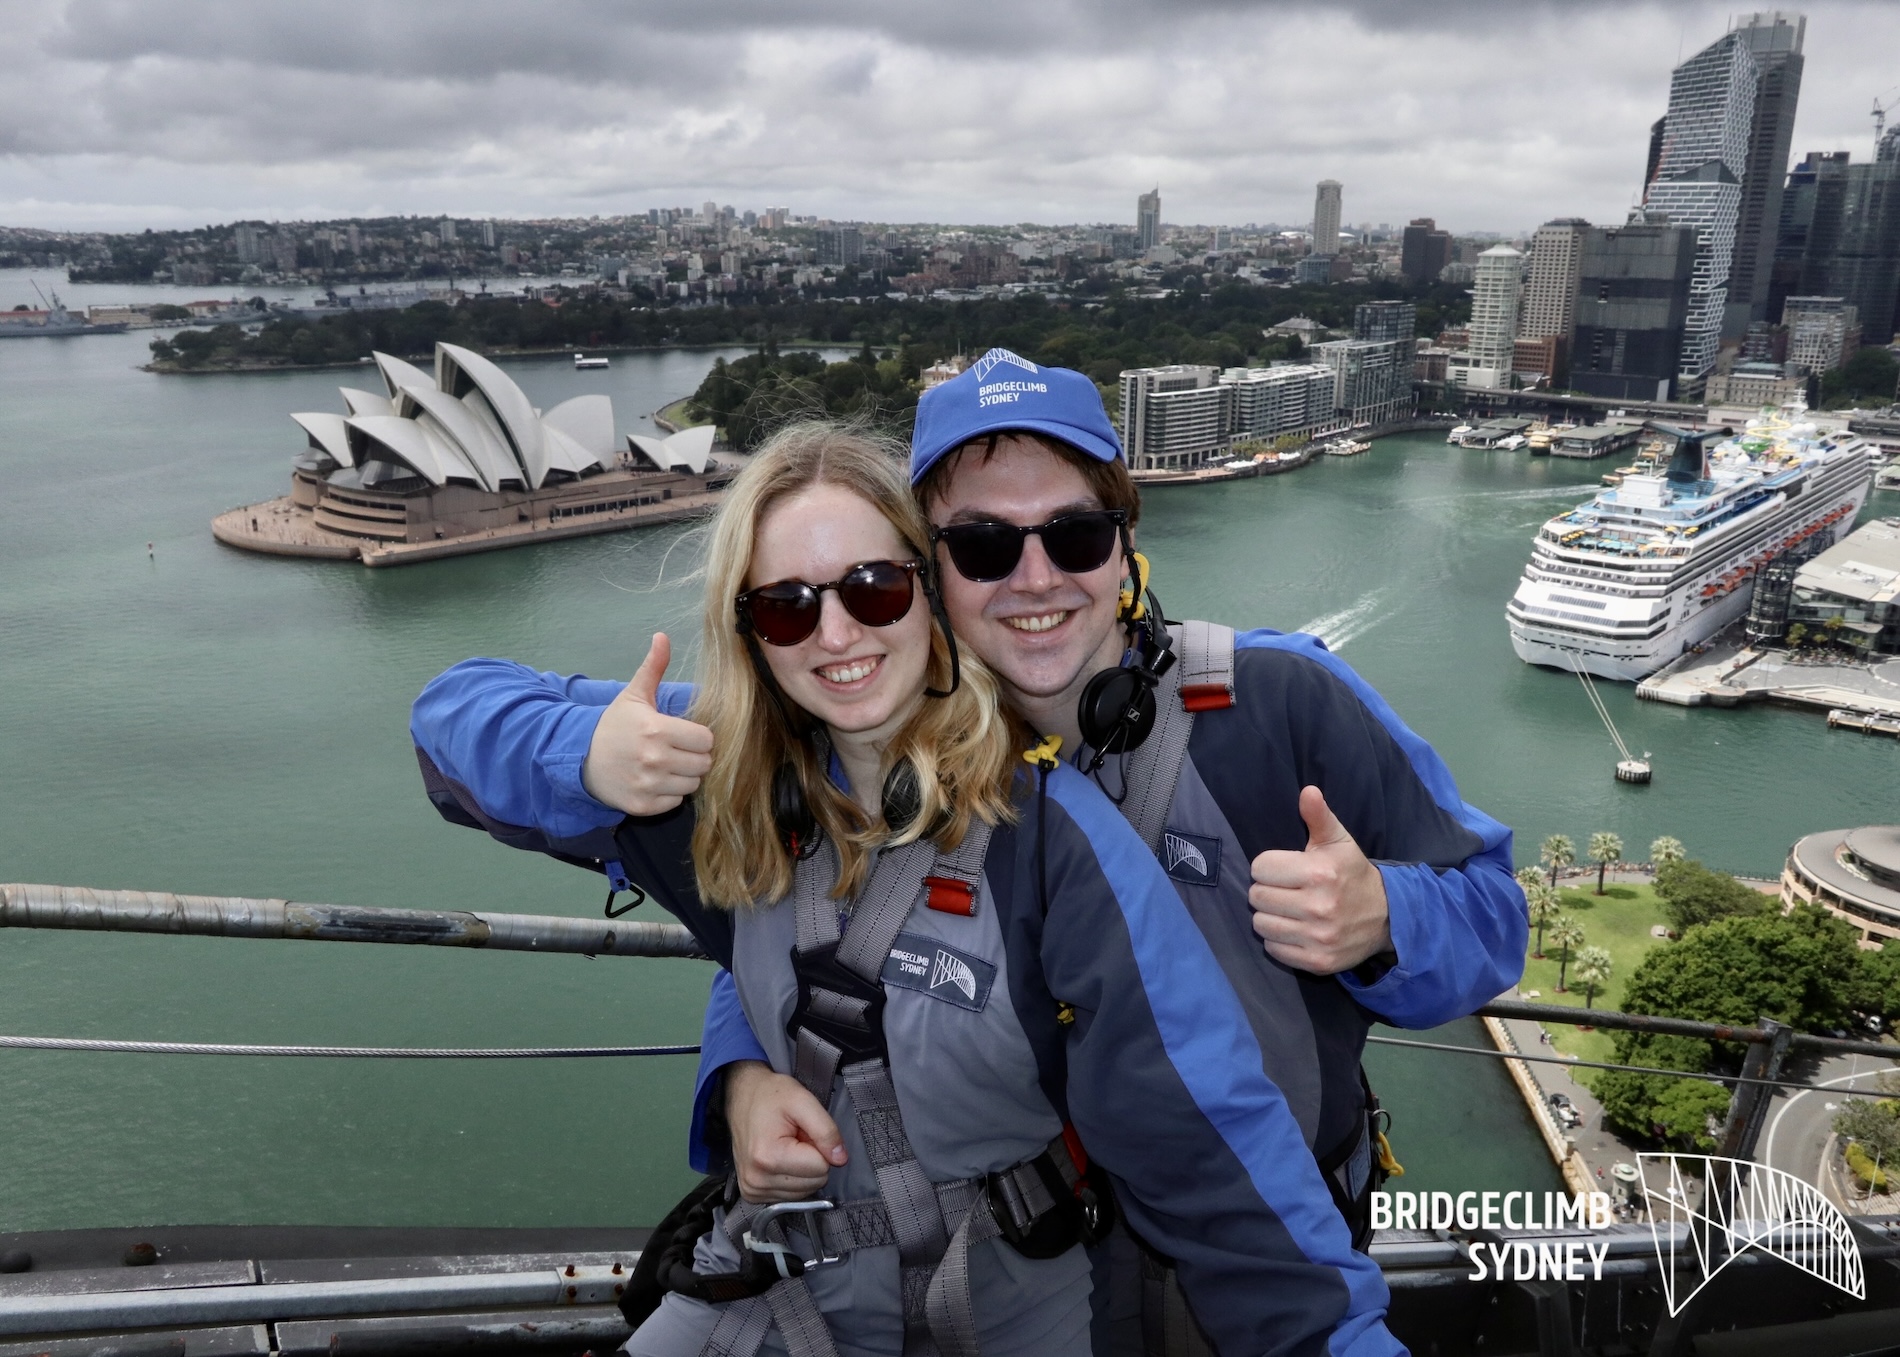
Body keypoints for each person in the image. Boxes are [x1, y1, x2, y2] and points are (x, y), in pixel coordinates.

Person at [413, 422, 1405, 1356]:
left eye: (874, 588)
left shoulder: (1050, 838)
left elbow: (1206, 1138)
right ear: (750, 631)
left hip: (1001, 1312)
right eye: (787, 604)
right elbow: (449, 715)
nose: (835, 634)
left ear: (929, 595)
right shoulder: (722, 781)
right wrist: (581, 752)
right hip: (777, 1288)